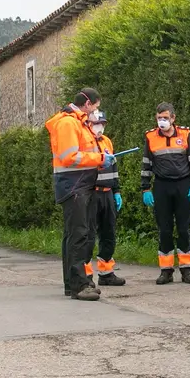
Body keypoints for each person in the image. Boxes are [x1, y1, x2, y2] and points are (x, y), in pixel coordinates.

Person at [45, 88, 114, 301]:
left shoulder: (77, 122)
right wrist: (100, 160)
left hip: (78, 185)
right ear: (87, 104)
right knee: (79, 235)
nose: (96, 111)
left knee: (74, 235)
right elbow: (69, 157)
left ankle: (73, 283)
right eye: (96, 107)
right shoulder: (68, 123)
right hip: (74, 185)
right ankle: (79, 285)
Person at [141, 102, 190, 284]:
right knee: (164, 228)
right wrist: (145, 188)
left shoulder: (185, 134)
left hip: (183, 184)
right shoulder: (151, 137)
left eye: (165, 118)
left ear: (173, 118)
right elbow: (146, 164)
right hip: (162, 186)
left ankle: (186, 269)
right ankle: (166, 270)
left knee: (184, 227)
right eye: (159, 118)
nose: (162, 121)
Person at [89, 109, 125, 287]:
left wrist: (117, 191)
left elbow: (114, 167)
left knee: (108, 233)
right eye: (96, 123)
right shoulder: (85, 142)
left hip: (107, 193)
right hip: (91, 193)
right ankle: (86, 275)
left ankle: (106, 272)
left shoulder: (107, 141)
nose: (99, 127)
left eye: (102, 123)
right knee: (88, 234)